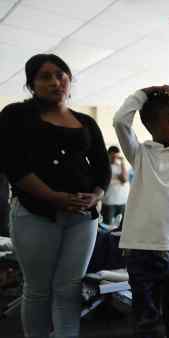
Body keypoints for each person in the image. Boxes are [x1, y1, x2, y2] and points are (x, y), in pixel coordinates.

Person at [0, 54, 111, 338]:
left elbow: (102, 169)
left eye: (60, 74)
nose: (55, 82)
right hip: (36, 214)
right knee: (38, 289)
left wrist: (96, 196)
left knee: (69, 287)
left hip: (83, 217)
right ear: (32, 84)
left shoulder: (85, 121)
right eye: (45, 77)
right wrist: (54, 197)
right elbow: (13, 165)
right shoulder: (16, 115)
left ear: (69, 79)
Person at [114, 85, 169, 338]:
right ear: (151, 124)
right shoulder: (139, 154)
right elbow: (120, 121)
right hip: (142, 249)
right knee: (146, 321)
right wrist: (140, 94)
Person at [101, 146, 129, 225]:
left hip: (122, 202)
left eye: (116, 156)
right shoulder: (104, 166)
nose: (114, 158)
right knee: (107, 226)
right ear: (108, 155)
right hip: (109, 202)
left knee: (122, 227)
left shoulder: (121, 166)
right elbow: (123, 179)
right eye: (112, 156)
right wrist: (117, 177)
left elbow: (124, 179)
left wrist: (122, 162)